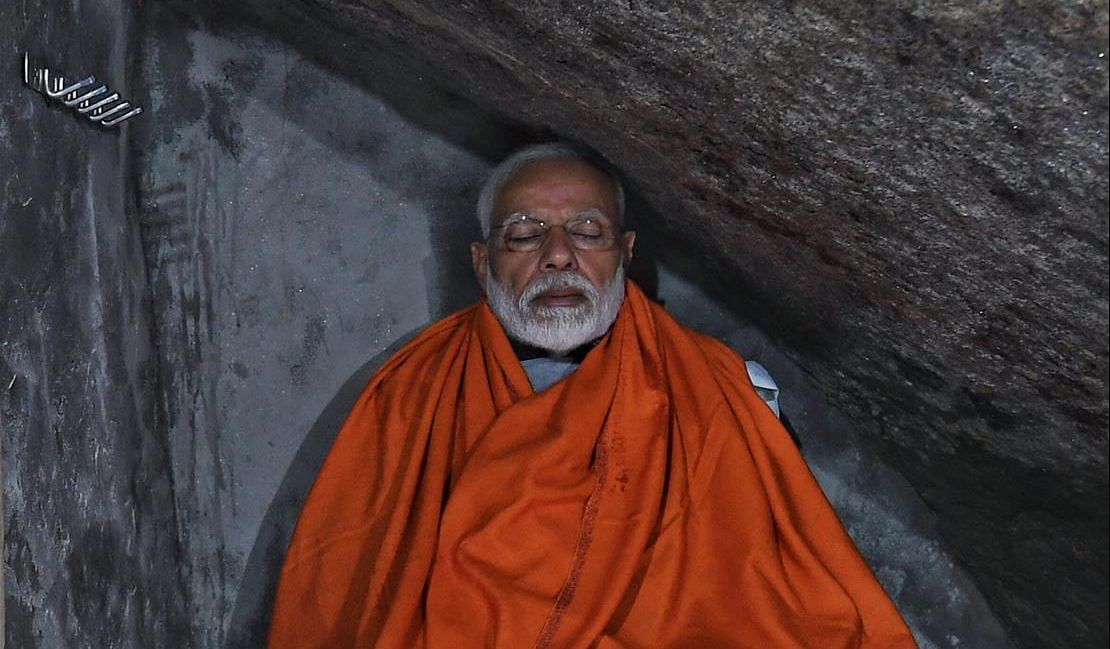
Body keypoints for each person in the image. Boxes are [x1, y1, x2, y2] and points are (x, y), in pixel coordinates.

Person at [268, 143, 916, 648]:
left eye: (587, 231)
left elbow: (770, 600)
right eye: (523, 233)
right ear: (480, 259)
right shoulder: (408, 398)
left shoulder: (724, 390)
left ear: (625, 253)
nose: (558, 256)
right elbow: (348, 596)